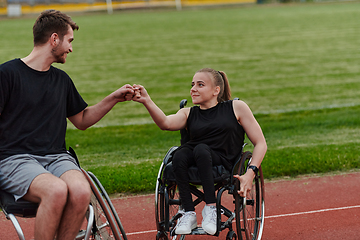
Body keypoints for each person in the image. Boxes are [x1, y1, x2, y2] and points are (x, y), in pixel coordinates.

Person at [0, 10, 134, 240]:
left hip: (56, 157)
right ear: (54, 39)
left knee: (82, 191)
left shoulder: (61, 80)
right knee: (56, 190)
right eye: (69, 41)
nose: (71, 48)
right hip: (15, 158)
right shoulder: (7, 74)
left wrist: (113, 98)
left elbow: (81, 120)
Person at [132, 68, 267, 235]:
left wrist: (250, 173)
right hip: (195, 157)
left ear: (216, 90)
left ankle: (211, 208)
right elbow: (165, 123)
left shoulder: (236, 107)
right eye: (192, 84)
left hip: (223, 160)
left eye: (200, 85)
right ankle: (188, 212)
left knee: (202, 149)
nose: (193, 89)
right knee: (180, 154)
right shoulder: (188, 113)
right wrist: (147, 100)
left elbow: (260, 143)